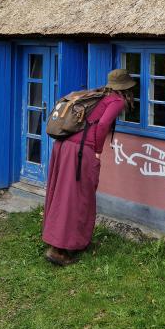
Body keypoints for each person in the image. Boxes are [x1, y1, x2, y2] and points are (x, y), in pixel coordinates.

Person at [42, 68, 136, 266]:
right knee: (75, 197)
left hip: (63, 145)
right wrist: (97, 150)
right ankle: (59, 249)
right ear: (126, 87)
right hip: (79, 151)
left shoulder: (98, 94)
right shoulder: (117, 101)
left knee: (62, 193)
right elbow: (102, 126)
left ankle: (60, 240)